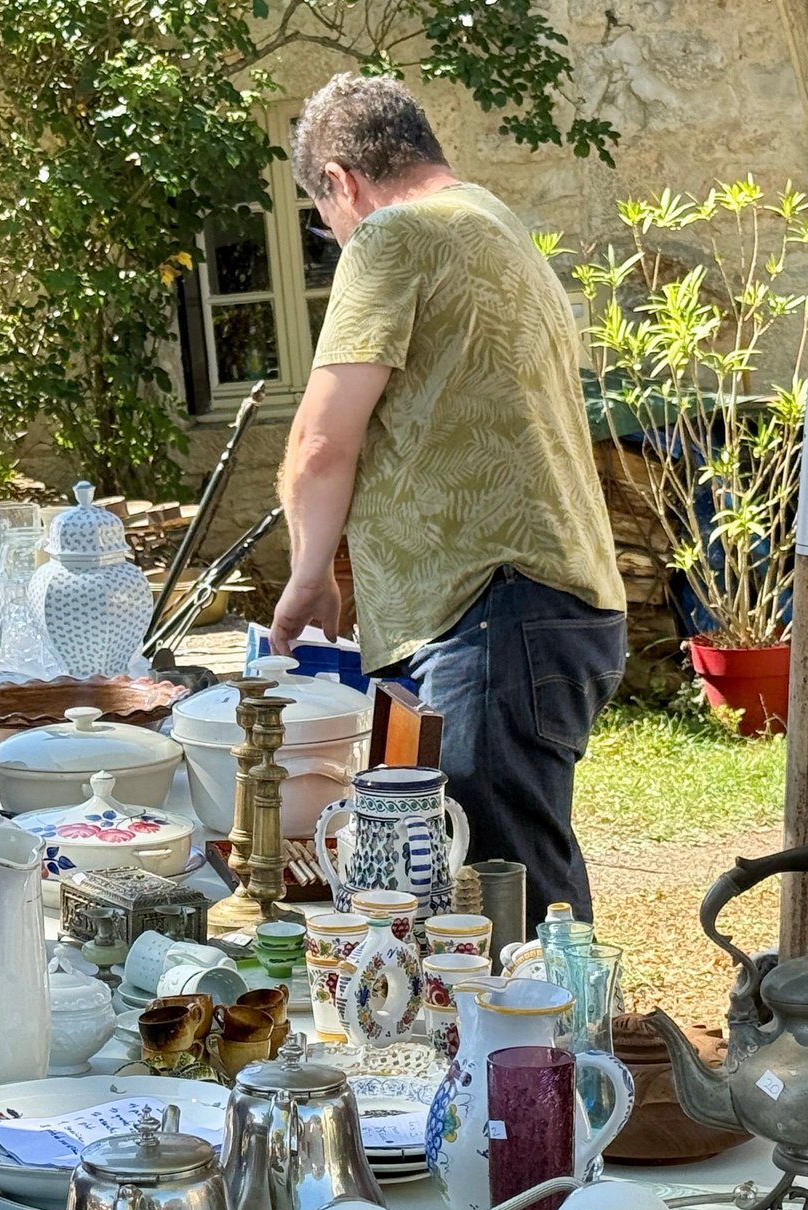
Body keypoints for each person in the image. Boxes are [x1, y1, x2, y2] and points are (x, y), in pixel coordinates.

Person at [268, 73, 628, 922]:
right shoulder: (491, 220)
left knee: (503, 893)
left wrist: (309, 574)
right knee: (499, 883)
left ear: (342, 182)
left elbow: (322, 443)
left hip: (487, 609)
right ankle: (534, 1050)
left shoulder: (393, 236)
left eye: (324, 215)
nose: (333, 232)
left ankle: (556, 1055)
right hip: (530, 606)